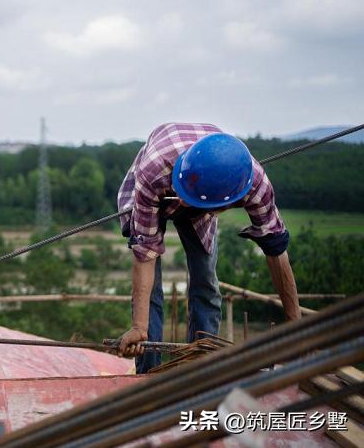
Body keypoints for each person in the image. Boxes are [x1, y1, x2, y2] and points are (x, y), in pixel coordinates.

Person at [116, 123, 301, 373]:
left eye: (189, 202)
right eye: (183, 197)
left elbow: (276, 250)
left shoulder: (255, 185)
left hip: (205, 199)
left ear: (229, 203)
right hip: (156, 189)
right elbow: (145, 254)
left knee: (206, 281)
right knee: (150, 293)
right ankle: (149, 373)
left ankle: (200, 368)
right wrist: (139, 327)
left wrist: (297, 328)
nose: (182, 204)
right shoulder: (153, 173)